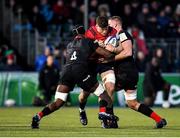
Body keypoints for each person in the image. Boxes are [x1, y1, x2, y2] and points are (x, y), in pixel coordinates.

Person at [31, 25, 117, 129]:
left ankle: (38, 116)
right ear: (84, 33)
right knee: (104, 95)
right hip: (80, 71)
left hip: (66, 72)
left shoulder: (69, 45)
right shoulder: (89, 41)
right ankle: (102, 113)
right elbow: (107, 55)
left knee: (58, 102)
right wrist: (114, 50)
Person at [103, 16, 167, 128]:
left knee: (106, 92)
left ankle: (111, 121)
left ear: (116, 24)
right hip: (129, 73)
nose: (108, 27)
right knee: (132, 104)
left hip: (125, 72)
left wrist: (111, 59)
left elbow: (127, 52)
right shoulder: (116, 36)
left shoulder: (122, 34)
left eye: (109, 24)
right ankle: (159, 119)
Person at [78, 16, 118, 128]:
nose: (105, 31)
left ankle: (106, 117)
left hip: (105, 64)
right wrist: (96, 46)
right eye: (102, 29)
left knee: (110, 87)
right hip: (91, 64)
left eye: (106, 29)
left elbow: (117, 49)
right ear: (96, 26)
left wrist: (108, 51)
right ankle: (81, 110)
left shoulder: (113, 32)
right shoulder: (89, 33)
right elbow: (84, 51)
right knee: (84, 96)